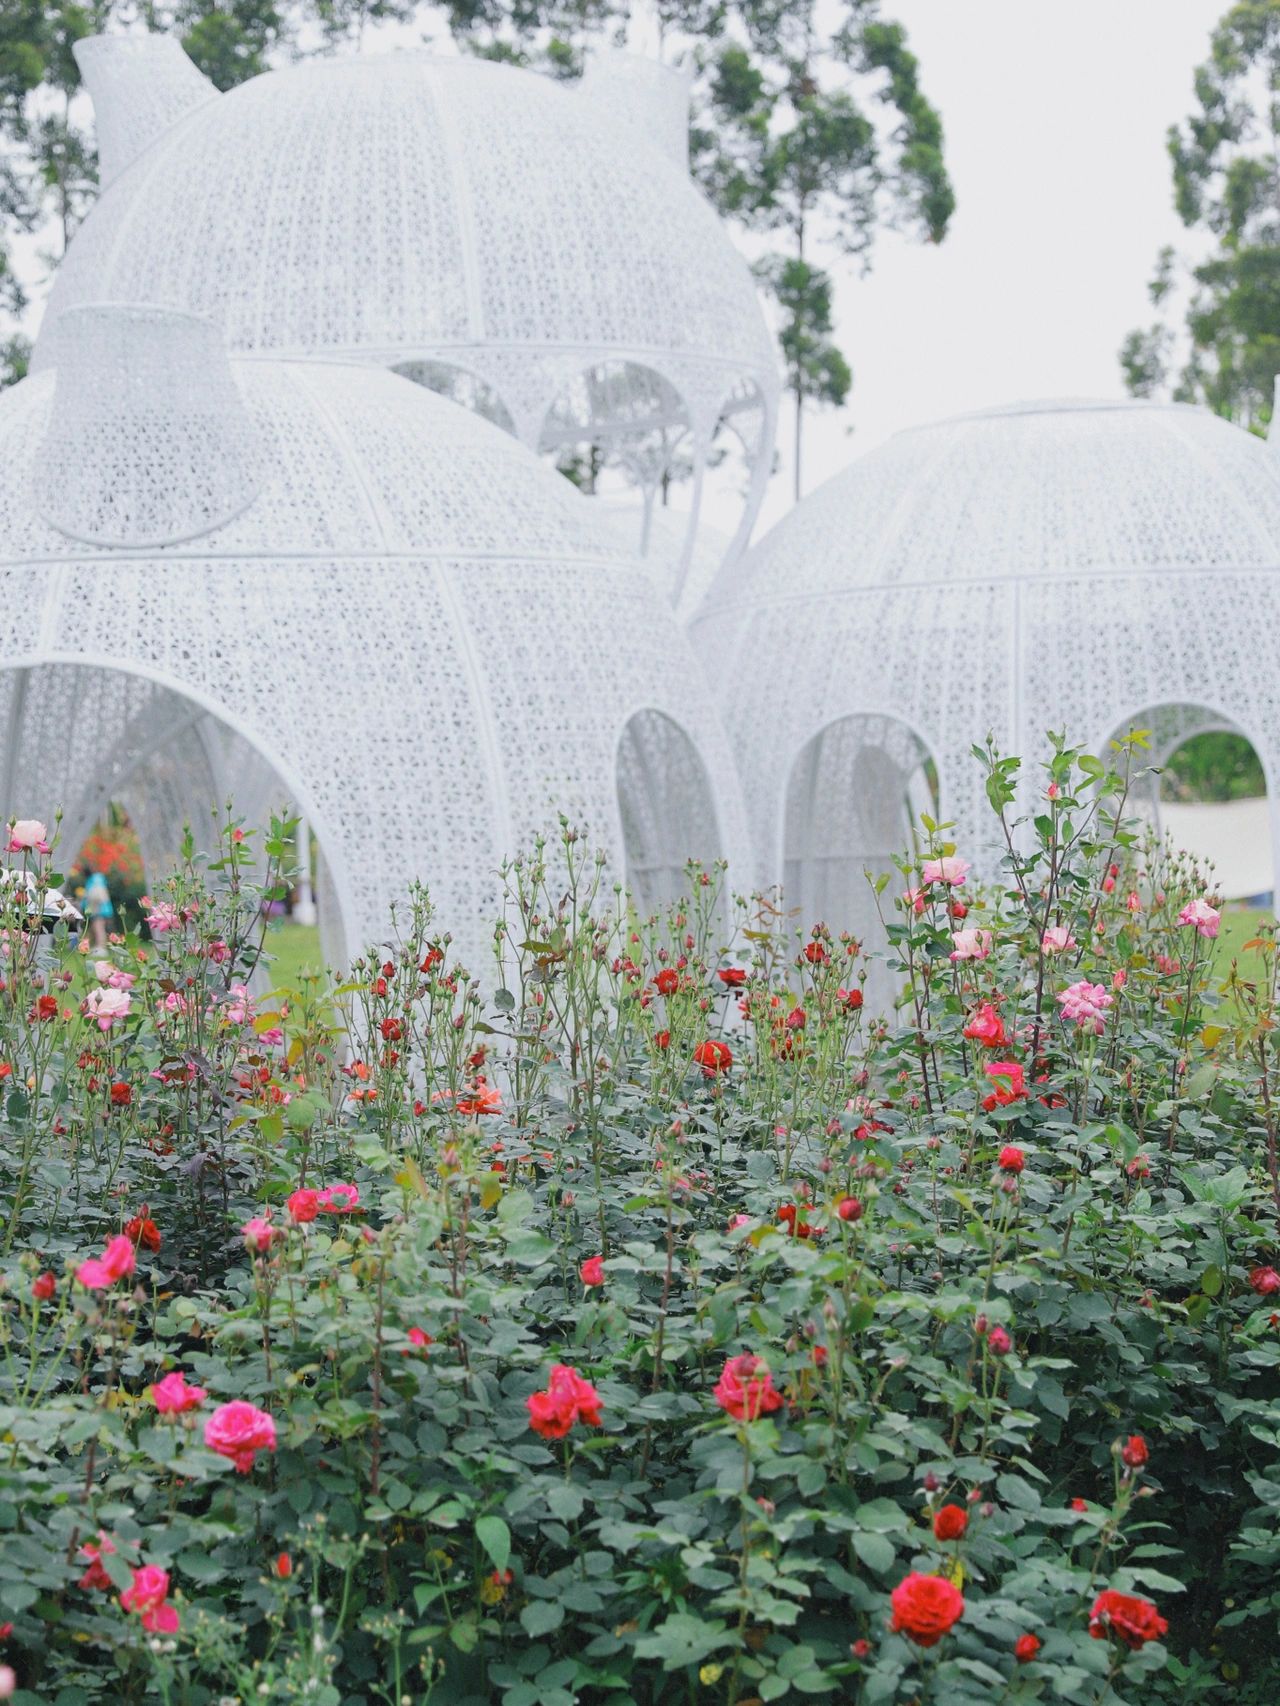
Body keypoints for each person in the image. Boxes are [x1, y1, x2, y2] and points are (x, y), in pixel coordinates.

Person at [83, 870, 114, 950]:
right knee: (95, 928)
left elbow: (93, 896)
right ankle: (96, 946)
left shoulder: (93, 881)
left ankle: (101, 948)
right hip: (105, 909)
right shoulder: (99, 879)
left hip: (99, 910)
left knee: (99, 929)